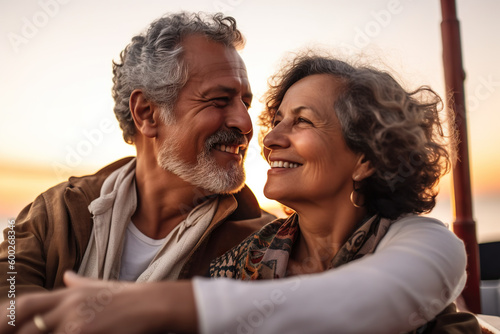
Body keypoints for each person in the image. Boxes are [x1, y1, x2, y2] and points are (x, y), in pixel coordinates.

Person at [0, 13, 472, 334]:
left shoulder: (251, 241)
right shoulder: (59, 209)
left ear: (365, 157)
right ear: (146, 113)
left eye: (245, 103)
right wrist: (31, 313)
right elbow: (11, 286)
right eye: (219, 100)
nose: (250, 127)